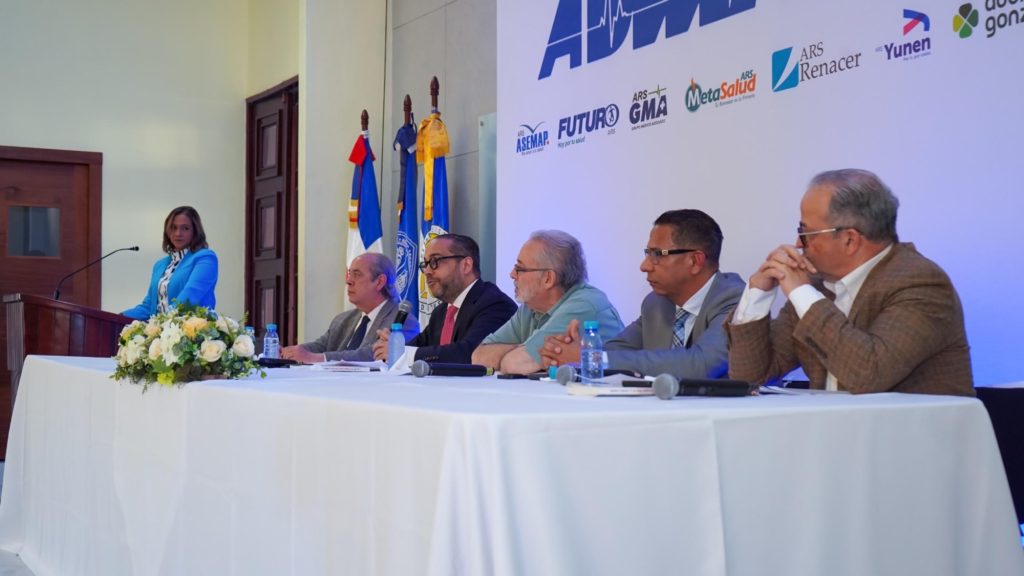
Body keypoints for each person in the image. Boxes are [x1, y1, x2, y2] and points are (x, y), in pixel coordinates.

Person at [725, 168, 974, 396]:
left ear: (850, 240)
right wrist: (757, 294)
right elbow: (751, 378)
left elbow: (868, 375)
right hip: (837, 427)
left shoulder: (920, 282)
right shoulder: (817, 285)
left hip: (906, 431)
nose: (798, 244)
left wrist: (802, 294)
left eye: (805, 232)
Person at [540, 210, 744, 378]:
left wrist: (593, 359)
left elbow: (702, 364)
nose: (644, 266)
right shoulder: (656, 304)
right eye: (647, 254)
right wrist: (575, 351)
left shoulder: (734, 299)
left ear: (695, 261)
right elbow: (617, 351)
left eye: (657, 255)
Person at [472, 230, 623, 374]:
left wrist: (522, 351)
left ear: (548, 279)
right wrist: (527, 347)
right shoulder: (530, 306)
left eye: (520, 269)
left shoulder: (584, 305)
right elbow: (479, 357)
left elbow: (514, 364)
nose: (512, 274)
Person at [372, 234, 516, 364]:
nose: (427, 271)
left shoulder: (495, 304)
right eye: (425, 264)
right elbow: (418, 347)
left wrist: (402, 353)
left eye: (435, 261)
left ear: (466, 265)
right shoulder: (441, 312)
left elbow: (469, 353)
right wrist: (393, 347)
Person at [283, 253, 419, 363]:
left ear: (379, 282)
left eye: (357, 274)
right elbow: (321, 346)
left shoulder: (402, 320)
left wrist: (317, 358)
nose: (348, 281)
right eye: (349, 274)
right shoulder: (343, 319)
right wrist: (288, 352)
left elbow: (372, 355)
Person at [123, 206, 217, 320]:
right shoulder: (159, 265)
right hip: (161, 329)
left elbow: (190, 295)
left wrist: (160, 321)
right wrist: (118, 316)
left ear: (195, 231)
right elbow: (149, 307)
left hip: (193, 328)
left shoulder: (205, 258)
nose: (178, 233)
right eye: (173, 227)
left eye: (185, 228)